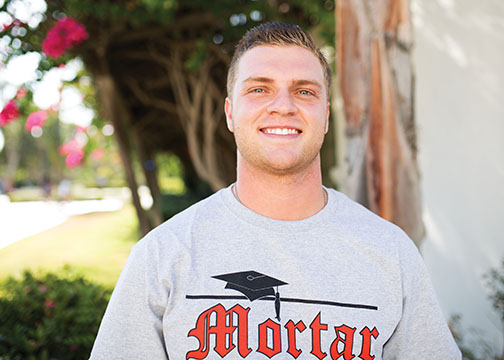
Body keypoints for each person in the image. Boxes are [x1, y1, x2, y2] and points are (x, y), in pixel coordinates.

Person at [90, 22, 460, 359]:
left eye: (304, 91)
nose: (283, 106)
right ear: (230, 113)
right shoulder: (163, 255)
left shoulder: (390, 253)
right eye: (259, 89)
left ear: (326, 116)